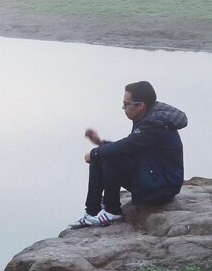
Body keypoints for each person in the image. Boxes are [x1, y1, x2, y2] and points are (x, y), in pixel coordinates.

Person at [70, 81, 187, 229]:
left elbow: (126, 146)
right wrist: (100, 143)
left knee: (107, 156)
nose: (123, 108)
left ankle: (112, 211)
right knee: (103, 155)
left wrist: (95, 152)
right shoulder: (148, 117)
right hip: (152, 176)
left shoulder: (154, 124)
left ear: (140, 105)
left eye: (126, 104)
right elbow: (131, 146)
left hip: (162, 187)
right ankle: (92, 212)